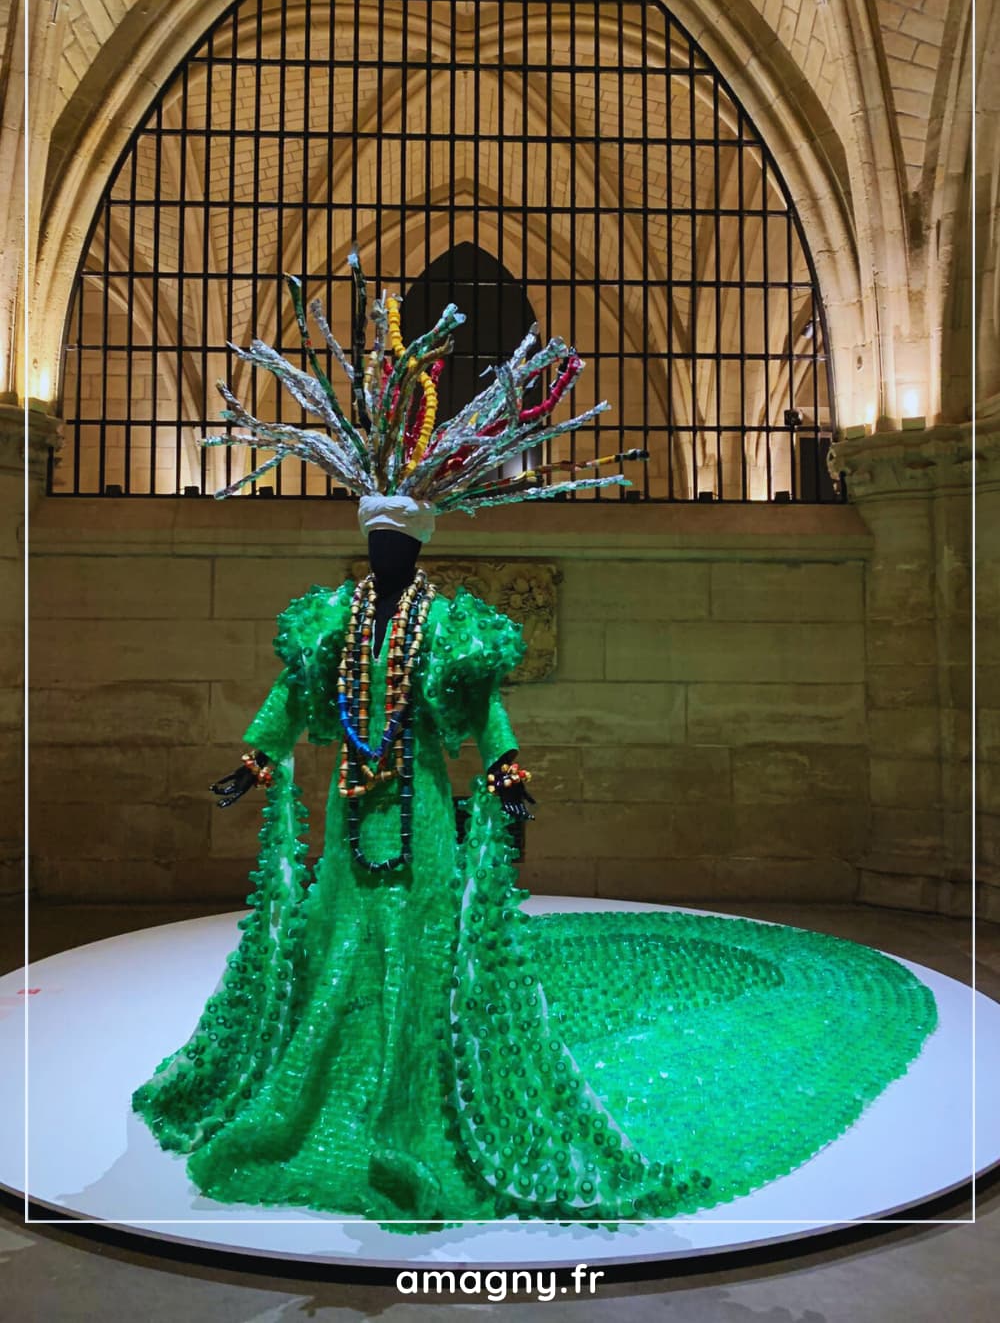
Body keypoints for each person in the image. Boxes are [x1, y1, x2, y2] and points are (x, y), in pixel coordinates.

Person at [132, 259, 937, 1226]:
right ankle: (330, 1084)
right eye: (377, 540)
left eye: (401, 543)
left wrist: (508, 778)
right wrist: (253, 764)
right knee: (342, 939)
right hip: (350, 810)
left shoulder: (456, 626)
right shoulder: (330, 620)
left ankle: (418, 1097)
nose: (388, 554)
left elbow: (483, 721)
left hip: (422, 811)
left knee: (425, 941)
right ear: (367, 539)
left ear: (416, 544)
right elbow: (289, 698)